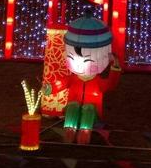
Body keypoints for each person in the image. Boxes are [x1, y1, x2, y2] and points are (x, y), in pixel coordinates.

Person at [43, 12, 121, 144]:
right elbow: (61, 84)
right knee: (72, 106)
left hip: (92, 115)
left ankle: (85, 134)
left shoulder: (97, 82)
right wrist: (50, 88)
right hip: (73, 112)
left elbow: (110, 85)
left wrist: (115, 67)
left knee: (89, 109)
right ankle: (69, 132)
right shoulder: (74, 78)